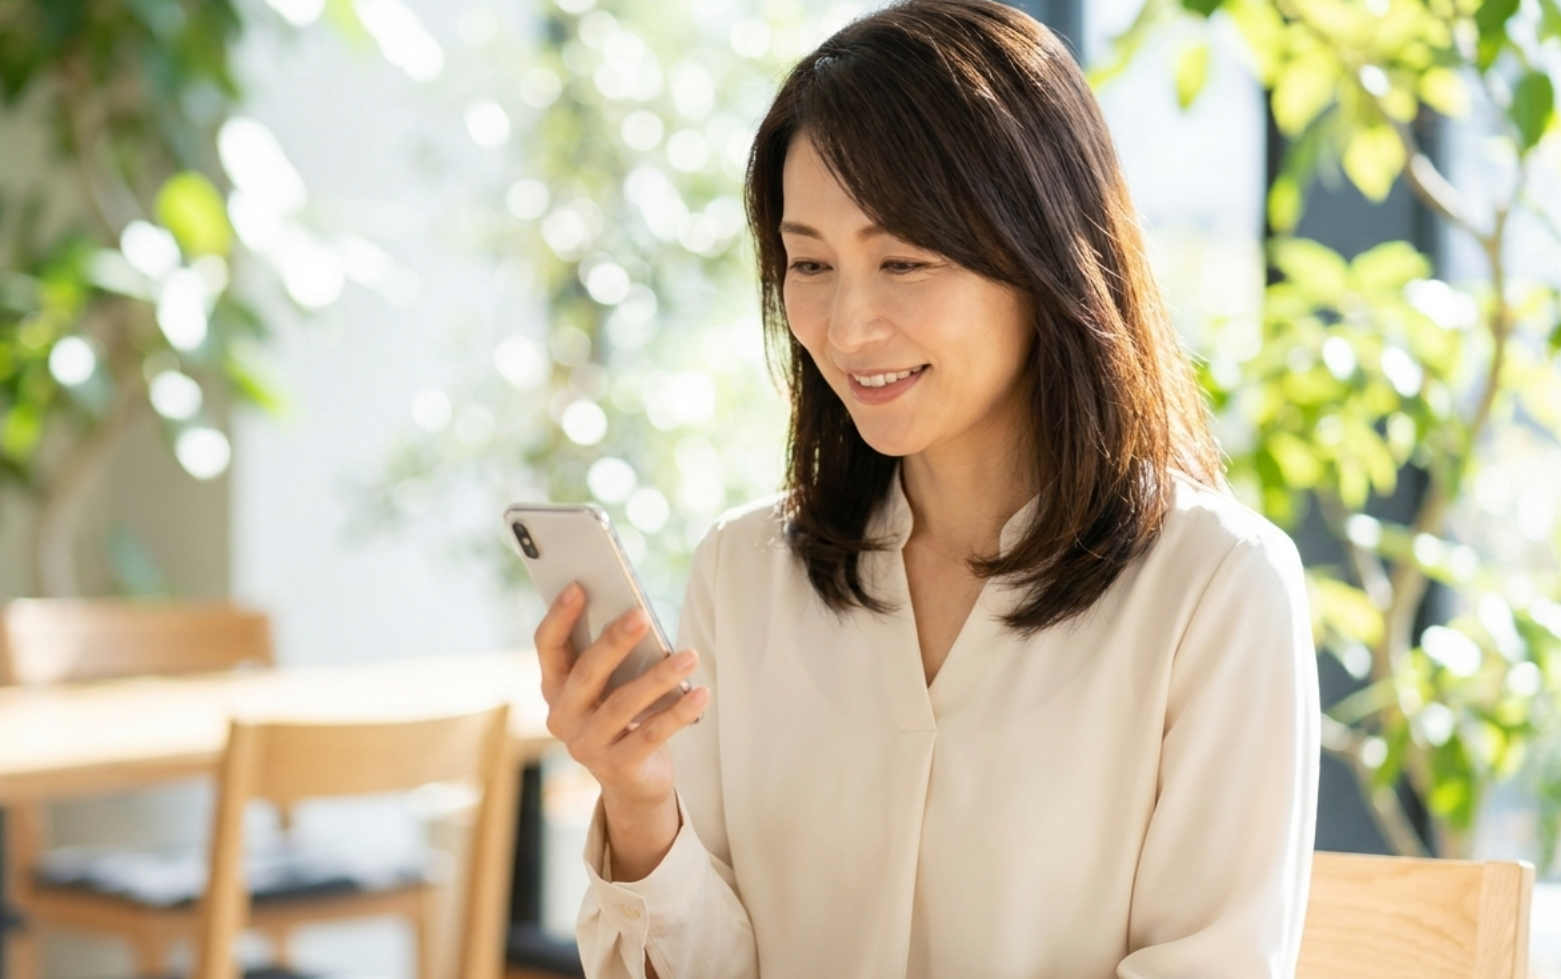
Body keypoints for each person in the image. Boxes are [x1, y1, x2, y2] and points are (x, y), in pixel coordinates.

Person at [531, 1, 1320, 976]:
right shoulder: (743, 574)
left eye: (902, 260)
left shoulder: (1214, 589)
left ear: (1043, 255)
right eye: (810, 262)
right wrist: (641, 800)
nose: (848, 324)